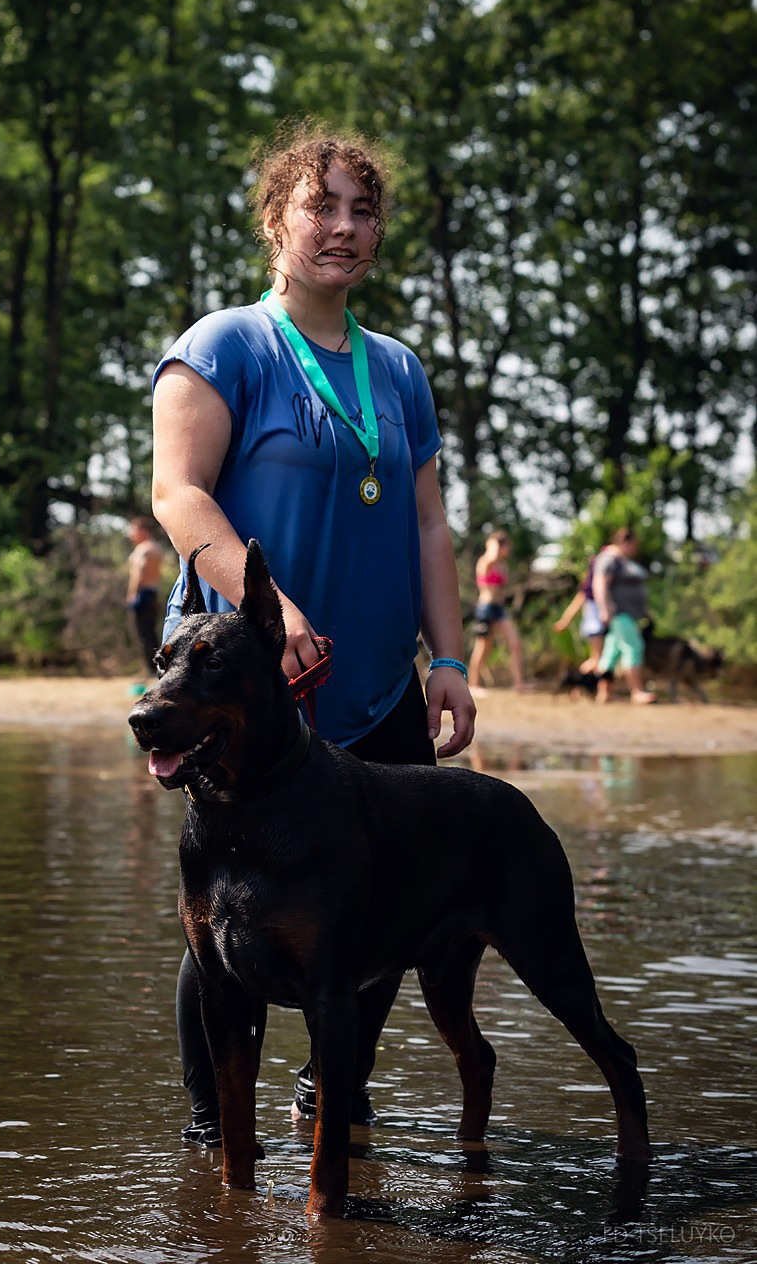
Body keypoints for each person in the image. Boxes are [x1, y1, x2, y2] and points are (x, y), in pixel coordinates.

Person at [150, 122, 476, 1144]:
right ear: (275, 219)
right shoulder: (224, 344)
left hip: (375, 687)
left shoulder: (400, 370)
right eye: (320, 205)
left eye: (362, 209)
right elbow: (178, 493)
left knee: (377, 903)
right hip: (245, 685)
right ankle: (215, 1132)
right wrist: (273, 603)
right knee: (231, 914)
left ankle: (326, 1091)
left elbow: (427, 524)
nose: (343, 227)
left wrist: (450, 658)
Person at [591, 528, 656, 704]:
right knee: (633, 647)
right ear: (625, 542)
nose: (635, 549)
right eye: (634, 545)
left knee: (612, 652)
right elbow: (599, 583)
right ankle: (637, 691)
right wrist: (604, 609)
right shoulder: (609, 558)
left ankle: (604, 692)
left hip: (628, 614)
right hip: (619, 613)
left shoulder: (622, 560)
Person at [467, 530, 529, 693]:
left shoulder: (502, 565)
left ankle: (518, 683)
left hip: (500, 609)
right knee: (483, 647)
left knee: (515, 643)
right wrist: (493, 542)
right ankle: (473, 684)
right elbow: (492, 556)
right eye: (506, 546)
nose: (508, 550)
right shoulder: (486, 561)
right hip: (486, 608)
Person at [552, 551, 607, 674]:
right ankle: (576, 682)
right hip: (594, 626)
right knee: (597, 659)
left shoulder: (596, 587)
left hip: (595, 625)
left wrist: (565, 620)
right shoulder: (592, 589)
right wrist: (565, 620)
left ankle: (588, 687)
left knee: (598, 658)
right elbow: (579, 600)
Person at [126, 515, 165, 682]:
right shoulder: (156, 548)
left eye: (133, 530)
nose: (130, 534)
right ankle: (156, 666)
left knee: (143, 633)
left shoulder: (143, 549)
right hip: (154, 592)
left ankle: (151, 669)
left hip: (142, 593)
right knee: (151, 632)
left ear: (143, 530)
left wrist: (132, 593)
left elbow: (139, 573)